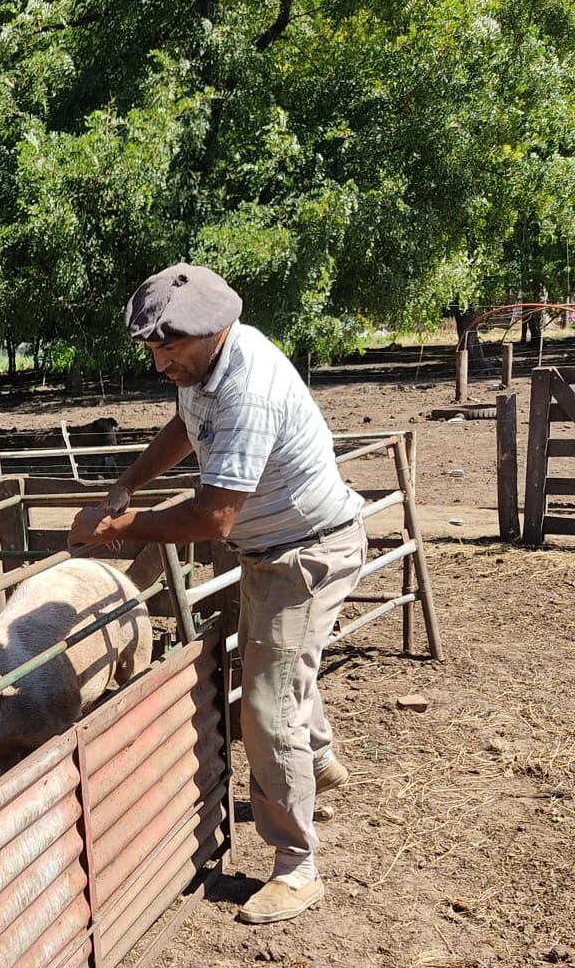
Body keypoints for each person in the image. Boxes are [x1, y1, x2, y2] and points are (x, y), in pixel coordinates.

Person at [68, 264, 366, 926]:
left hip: (307, 556)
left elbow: (211, 521)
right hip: (272, 551)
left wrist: (118, 527)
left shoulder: (248, 386)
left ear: (217, 329)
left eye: (171, 346)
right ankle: (316, 763)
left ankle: (295, 865)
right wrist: (129, 484)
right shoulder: (202, 373)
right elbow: (184, 429)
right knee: (278, 671)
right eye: (151, 347)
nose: (160, 359)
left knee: (264, 702)